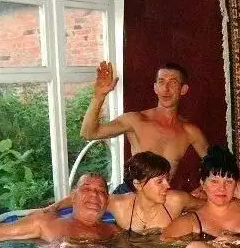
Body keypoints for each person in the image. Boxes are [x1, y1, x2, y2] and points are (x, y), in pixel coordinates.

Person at [80, 61, 209, 191]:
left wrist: (203, 190)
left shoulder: (190, 132)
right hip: (131, 193)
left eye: (173, 83)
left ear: (183, 89)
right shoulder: (136, 120)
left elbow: (214, 164)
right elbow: (88, 133)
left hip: (161, 196)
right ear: (155, 88)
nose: (166, 88)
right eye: (161, 82)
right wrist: (99, 96)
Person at [49, 152, 205, 235]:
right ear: (138, 184)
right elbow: (86, 198)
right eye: (160, 181)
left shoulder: (176, 200)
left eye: (167, 179)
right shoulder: (119, 204)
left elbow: (209, 208)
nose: (168, 185)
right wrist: (53, 208)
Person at [161, 146, 240, 241]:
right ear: (203, 184)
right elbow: (164, 244)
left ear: (236, 185)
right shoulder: (190, 222)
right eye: (214, 181)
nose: (222, 188)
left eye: (229, 181)